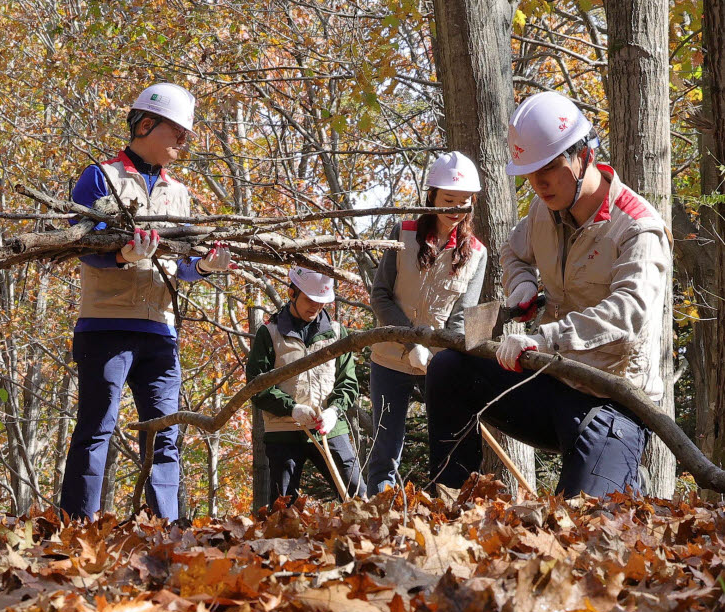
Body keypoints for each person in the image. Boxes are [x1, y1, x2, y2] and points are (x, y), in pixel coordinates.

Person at [426, 91, 672, 500]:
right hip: (553, 382)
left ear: (584, 155)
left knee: (582, 519)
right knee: (450, 368)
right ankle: (452, 505)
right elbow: (512, 251)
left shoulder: (637, 227)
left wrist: (544, 338)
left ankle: (620, 472)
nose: (539, 183)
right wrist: (521, 286)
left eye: (550, 168)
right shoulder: (544, 211)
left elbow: (629, 311)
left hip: (614, 403)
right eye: (530, 173)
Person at [60, 82, 232, 521]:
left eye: (186, 134)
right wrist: (119, 254)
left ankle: (168, 530)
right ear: (146, 124)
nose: (183, 141)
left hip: (161, 331)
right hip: (106, 325)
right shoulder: (100, 176)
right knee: (96, 430)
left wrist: (207, 267)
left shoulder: (180, 193)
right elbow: (77, 245)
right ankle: (77, 527)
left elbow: (181, 265)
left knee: (166, 435)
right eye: (177, 131)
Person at [368, 151, 487, 494]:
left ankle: (446, 507)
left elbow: (463, 317)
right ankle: (380, 510)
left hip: (438, 365)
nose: (456, 209)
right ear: (432, 195)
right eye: (449, 200)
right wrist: (411, 345)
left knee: (449, 442)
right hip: (390, 358)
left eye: (464, 202)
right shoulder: (401, 232)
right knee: (385, 449)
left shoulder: (476, 254)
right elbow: (380, 296)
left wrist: (443, 359)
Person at [246, 265, 366, 506]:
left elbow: (348, 382)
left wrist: (334, 411)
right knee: (282, 506)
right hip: (283, 430)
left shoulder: (336, 333)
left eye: (322, 301)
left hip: (329, 428)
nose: (316, 306)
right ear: (292, 293)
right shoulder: (268, 334)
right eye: (310, 299)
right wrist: (291, 409)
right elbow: (256, 387)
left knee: (357, 493)